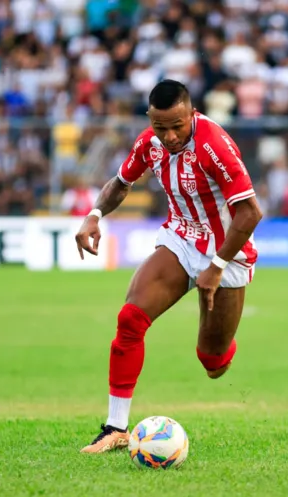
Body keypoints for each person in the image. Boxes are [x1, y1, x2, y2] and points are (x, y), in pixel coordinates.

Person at [75, 80, 263, 453]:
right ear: (151, 119)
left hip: (227, 250)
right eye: (161, 127)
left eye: (178, 125)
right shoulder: (150, 143)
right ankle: (115, 427)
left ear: (192, 113)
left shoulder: (214, 146)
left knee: (212, 361)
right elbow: (120, 183)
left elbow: (250, 212)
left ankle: (222, 342)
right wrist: (94, 215)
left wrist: (217, 265)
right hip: (180, 239)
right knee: (130, 319)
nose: (171, 135)